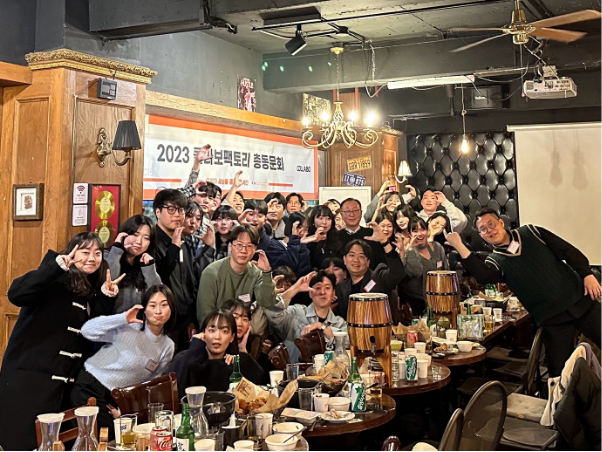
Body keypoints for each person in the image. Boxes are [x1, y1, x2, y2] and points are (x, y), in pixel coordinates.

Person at [445, 207, 602, 377]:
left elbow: (567, 251)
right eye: (483, 229)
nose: (489, 230)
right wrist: (459, 245)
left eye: (491, 224)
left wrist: (587, 274)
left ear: (501, 222)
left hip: (582, 302)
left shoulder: (531, 232)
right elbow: (485, 276)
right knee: (558, 374)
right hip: (553, 320)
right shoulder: (495, 260)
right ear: (481, 236)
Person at [0, 233, 121, 451]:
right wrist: (55, 267)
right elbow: (16, 294)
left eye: (97, 253)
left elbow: (90, 333)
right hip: (29, 379)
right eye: (85, 252)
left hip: (60, 387)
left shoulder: (87, 289)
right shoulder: (53, 279)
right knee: (22, 442)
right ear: (71, 252)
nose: (92, 258)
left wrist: (105, 298)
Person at [71, 285, 176, 436]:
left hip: (118, 398)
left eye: (164, 305)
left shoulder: (168, 346)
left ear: (172, 309)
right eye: (152, 305)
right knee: (104, 439)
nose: (158, 311)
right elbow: (87, 331)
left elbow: (150, 384)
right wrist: (122, 318)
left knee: (121, 438)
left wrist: (127, 409)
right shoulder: (130, 327)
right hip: (90, 387)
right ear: (145, 309)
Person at [169, 309, 265, 396]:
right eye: (212, 330)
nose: (217, 337)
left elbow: (261, 388)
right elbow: (171, 391)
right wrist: (193, 350)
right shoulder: (185, 358)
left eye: (224, 331)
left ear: (232, 337)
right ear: (203, 333)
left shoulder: (237, 361)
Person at [197, 225, 278, 326]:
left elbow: (267, 303)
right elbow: (205, 314)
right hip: (217, 328)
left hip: (242, 328)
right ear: (230, 246)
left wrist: (267, 273)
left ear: (255, 250)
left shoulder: (256, 273)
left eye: (249, 246)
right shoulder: (211, 273)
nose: (244, 251)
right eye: (239, 245)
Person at [265, 271, 347, 363]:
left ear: (333, 293)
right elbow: (271, 313)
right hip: (297, 371)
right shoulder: (296, 313)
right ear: (310, 293)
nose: (322, 292)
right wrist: (295, 288)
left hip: (330, 371)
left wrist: (322, 327)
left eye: (327, 288)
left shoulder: (339, 323)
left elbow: (347, 343)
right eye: (318, 288)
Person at [153, 189, 197, 351]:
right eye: (171, 209)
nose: (178, 215)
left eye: (181, 210)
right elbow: (158, 278)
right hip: (164, 322)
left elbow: (191, 283)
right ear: (158, 212)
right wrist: (173, 247)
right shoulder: (151, 242)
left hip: (185, 322)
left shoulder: (184, 242)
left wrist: (193, 319)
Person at [335, 238, 406, 321]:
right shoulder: (341, 288)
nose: (356, 260)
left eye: (361, 256)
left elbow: (397, 273)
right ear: (344, 259)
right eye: (352, 255)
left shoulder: (378, 277)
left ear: (368, 262)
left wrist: (385, 243)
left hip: (381, 327)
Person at [105, 215, 161, 313]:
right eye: (135, 234)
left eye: (146, 238)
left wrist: (149, 268)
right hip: (111, 320)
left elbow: (157, 295)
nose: (139, 241)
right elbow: (108, 281)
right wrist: (117, 250)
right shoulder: (107, 256)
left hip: (138, 321)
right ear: (124, 234)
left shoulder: (145, 263)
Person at [397, 217, 449, 316]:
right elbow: (416, 272)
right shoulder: (407, 253)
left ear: (427, 231)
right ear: (409, 234)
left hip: (439, 299)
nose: (420, 234)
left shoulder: (437, 247)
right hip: (416, 302)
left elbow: (446, 272)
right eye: (415, 231)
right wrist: (411, 249)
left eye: (423, 229)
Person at [338, 198, 387, 269]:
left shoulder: (372, 234)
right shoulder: (335, 236)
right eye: (347, 211)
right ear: (341, 214)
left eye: (355, 210)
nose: (352, 214)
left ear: (361, 213)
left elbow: (382, 262)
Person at [265, 212, 312, 278]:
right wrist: (294, 238)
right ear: (290, 226)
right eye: (299, 227)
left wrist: (303, 245)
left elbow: (304, 271)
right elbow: (289, 267)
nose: (302, 232)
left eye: (306, 229)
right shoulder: (273, 246)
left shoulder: (304, 246)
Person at [305, 205, 342, 270]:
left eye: (328, 219)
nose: (324, 222)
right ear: (313, 220)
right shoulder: (306, 238)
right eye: (320, 218)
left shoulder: (337, 237)